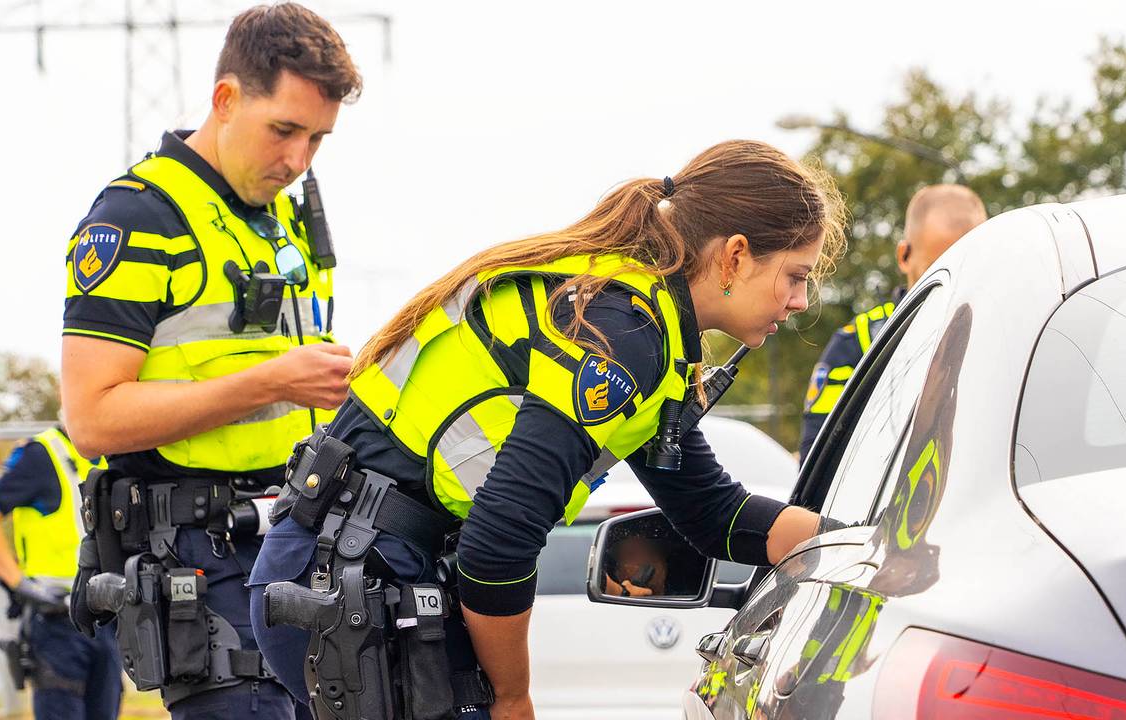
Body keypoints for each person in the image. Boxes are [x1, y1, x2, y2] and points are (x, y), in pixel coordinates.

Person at [250, 140, 854, 720]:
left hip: (345, 564)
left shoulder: (647, 327)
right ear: (736, 255)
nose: (800, 301)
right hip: (345, 575)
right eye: (795, 275)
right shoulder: (623, 332)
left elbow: (713, 513)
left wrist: (860, 548)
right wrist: (513, 699)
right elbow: (497, 547)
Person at [59, 4, 361, 717]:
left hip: (290, 547)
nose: (298, 161)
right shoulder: (137, 218)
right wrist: (271, 380)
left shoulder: (283, 218)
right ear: (225, 100)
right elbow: (93, 420)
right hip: (199, 562)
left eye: (318, 139)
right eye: (284, 130)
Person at [797, 184, 987, 462]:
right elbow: (817, 458)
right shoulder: (858, 342)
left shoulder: (1004, 333)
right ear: (903, 256)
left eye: (968, 265)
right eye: (940, 268)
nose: (955, 281)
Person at [0, 425, 122, 720]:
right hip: (56, 621)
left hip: (106, 621)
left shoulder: (110, 454)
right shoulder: (41, 455)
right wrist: (21, 584)